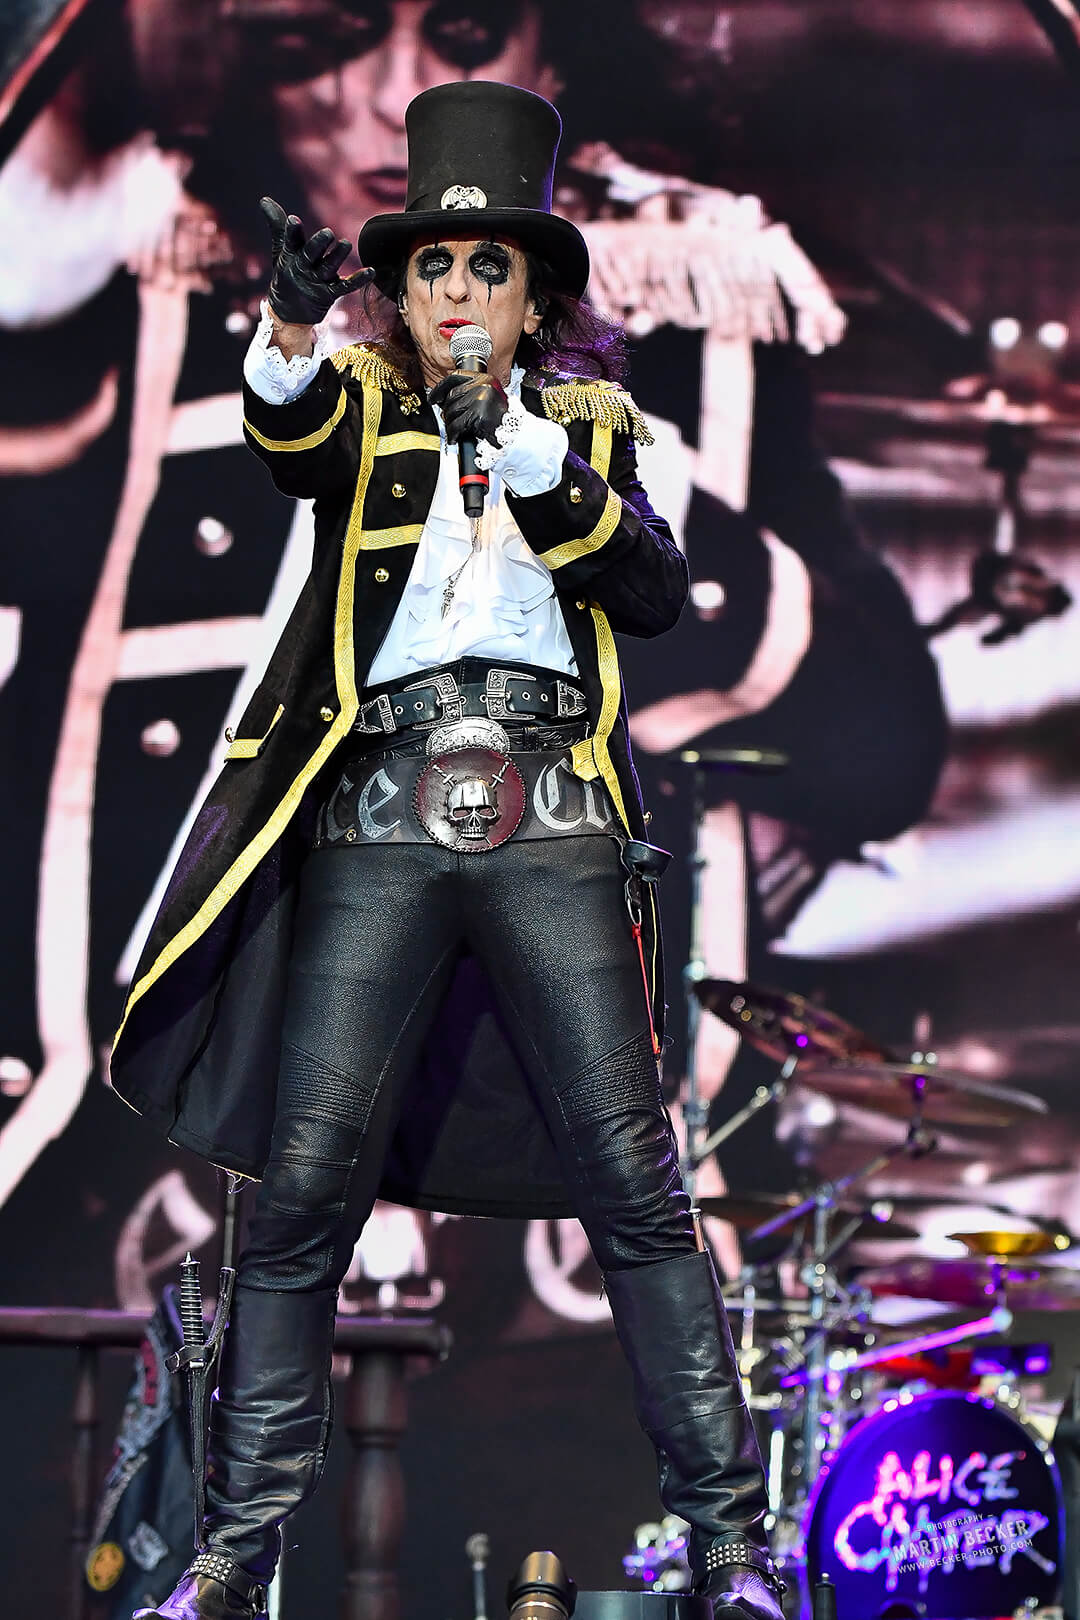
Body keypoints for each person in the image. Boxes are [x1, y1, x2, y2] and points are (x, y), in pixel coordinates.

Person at [111, 81, 785, 1620]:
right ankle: (233, 1559)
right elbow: (286, 434)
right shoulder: (361, 404)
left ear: (536, 298)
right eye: (434, 268)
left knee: (637, 1185)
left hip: (553, 813)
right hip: (381, 813)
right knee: (303, 1191)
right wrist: (290, 326)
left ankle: (733, 1550)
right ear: (403, 295)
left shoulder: (591, 430)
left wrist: (528, 453)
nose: (461, 293)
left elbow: (653, 589)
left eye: (490, 268)